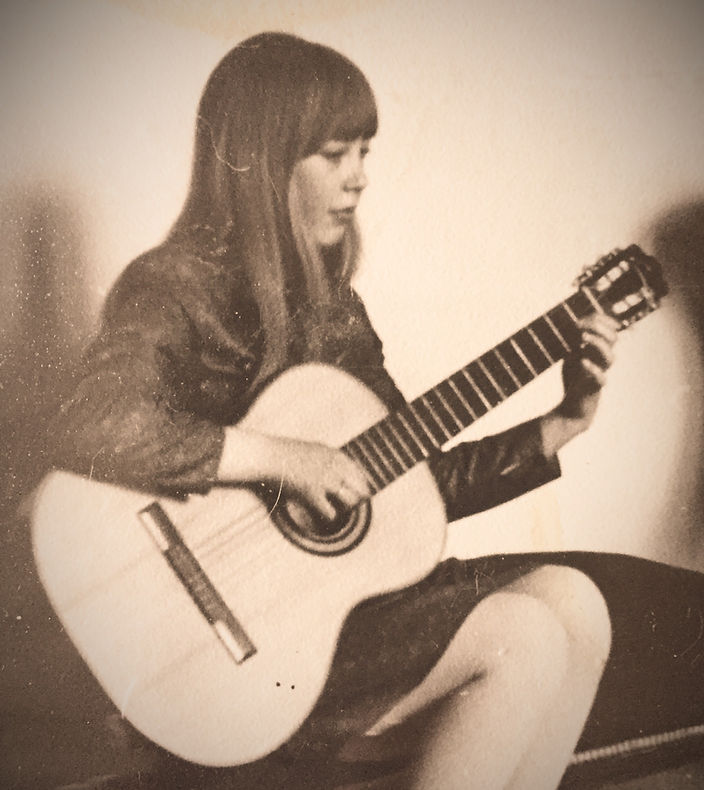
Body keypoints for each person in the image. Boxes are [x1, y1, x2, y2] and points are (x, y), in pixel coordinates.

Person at [50, 32, 703, 790]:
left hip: (334, 629)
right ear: (263, 161)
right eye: (336, 154)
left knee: (577, 605)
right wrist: (285, 460)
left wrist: (564, 421)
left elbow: (405, 490)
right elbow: (90, 422)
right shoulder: (173, 283)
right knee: (522, 631)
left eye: (367, 153)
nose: (360, 179)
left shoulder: (335, 313)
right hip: (235, 654)